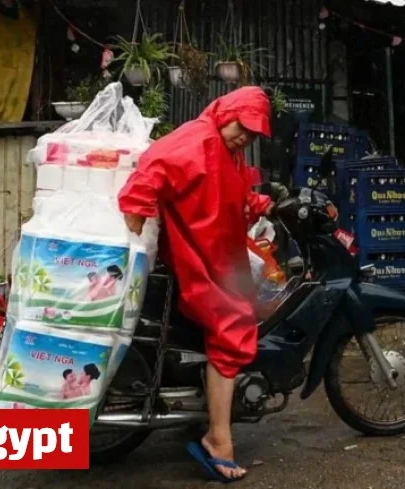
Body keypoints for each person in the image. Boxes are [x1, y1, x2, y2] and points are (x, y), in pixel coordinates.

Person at [117, 86, 273, 482]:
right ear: (227, 113)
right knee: (233, 328)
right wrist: (132, 232)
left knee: (251, 302)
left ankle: (208, 410)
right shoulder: (199, 139)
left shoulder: (225, 149)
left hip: (219, 256)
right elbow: (150, 171)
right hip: (199, 260)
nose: (245, 137)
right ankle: (218, 439)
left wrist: (260, 204)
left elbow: (229, 193)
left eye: (252, 133)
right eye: (242, 127)